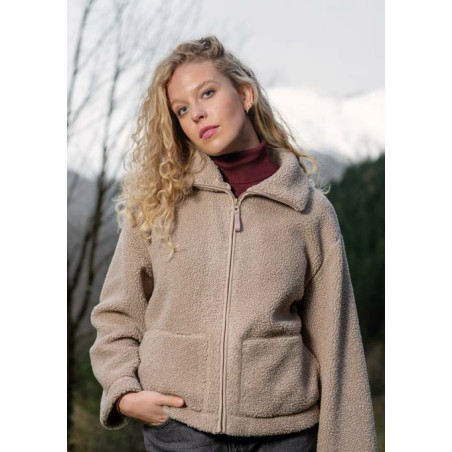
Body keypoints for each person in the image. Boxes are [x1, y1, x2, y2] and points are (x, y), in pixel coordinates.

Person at [89, 35, 378, 452]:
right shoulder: (158, 204)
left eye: (207, 93)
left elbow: (339, 347)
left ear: (244, 95)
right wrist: (123, 391)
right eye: (181, 109)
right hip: (180, 429)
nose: (197, 113)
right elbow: (117, 314)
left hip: (285, 434)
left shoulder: (308, 211)